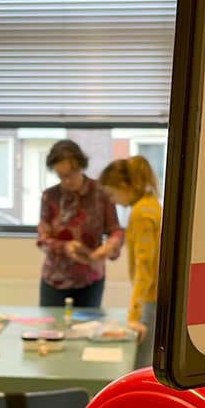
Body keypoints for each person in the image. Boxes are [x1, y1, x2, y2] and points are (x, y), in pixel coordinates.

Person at [36, 140, 123, 308]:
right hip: (55, 279)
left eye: (71, 173)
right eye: (61, 176)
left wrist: (111, 245)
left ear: (81, 166)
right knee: (52, 330)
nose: (67, 181)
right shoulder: (50, 197)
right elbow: (42, 239)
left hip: (91, 279)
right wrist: (65, 247)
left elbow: (115, 230)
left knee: (87, 329)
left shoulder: (101, 193)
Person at [100, 155, 162, 369]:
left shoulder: (142, 213)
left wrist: (134, 314)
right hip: (153, 296)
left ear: (125, 186)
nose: (112, 200)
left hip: (151, 299)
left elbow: (145, 267)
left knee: (139, 366)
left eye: (111, 193)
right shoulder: (151, 204)